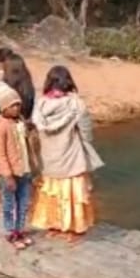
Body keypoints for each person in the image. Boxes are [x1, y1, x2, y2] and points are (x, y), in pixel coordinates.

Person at [29, 66, 103, 241]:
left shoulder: (41, 103)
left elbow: (36, 126)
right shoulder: (76, 103)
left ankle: (54, 225)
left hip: (49, 157)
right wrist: (87, 143)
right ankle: (73, 228)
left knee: (52, 190)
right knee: (72, 192)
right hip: (71, 155)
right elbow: (85, 130)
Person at [0, 82, 34, 249]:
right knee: (10, 203)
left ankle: (20, 230)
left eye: (18, 104)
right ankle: (11, 232)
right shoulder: (0, 127)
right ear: (3, 108)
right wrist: (8, 175)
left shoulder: (18, 122)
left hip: (24, 170)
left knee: (23, 202)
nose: (16, 108)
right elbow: (0, 154)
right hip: (9, 173)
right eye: (12, 105)